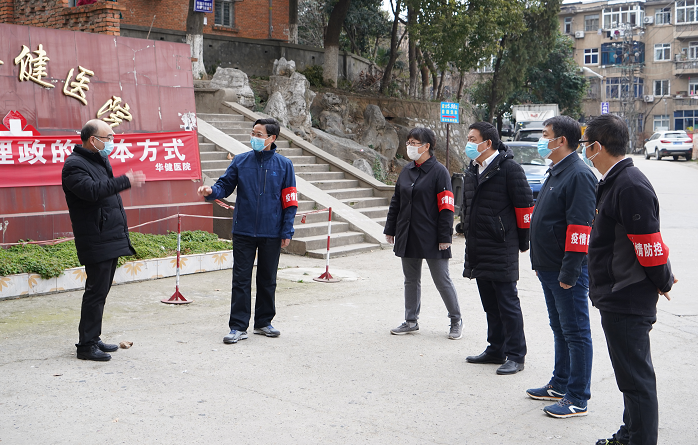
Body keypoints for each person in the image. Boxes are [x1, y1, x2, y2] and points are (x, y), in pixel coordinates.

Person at [582, 114, 676, 445]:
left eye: (585, 145)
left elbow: (649, 244)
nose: (584, 151)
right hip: (616, 294)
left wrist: (663, 279)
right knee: (629, 378)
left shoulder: (629, 185)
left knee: (636, 380)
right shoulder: (615, 182)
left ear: (597, 146)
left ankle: (640, 439)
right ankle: (629, 434)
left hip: (627, 296)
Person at [198, 118, 297, 344]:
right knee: (240, 279)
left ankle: (263, 322)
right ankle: (238, 326)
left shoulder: (284, 165)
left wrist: (286, 231)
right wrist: (211, 191)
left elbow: (290, 201)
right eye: (253, 133)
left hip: (271, 231)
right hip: (244, 230)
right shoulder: (241, 161)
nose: (254, 138)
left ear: (272, 138)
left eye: (259, 135)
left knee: (267, 279)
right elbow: (224, 185)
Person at [527, 115, 597, 418]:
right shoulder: (556, 171)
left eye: (546, 135)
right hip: (548, 266)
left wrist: (570, 271)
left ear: (562, 141)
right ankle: (560, 383)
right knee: (560, 328)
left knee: (576, 331)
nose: (542, 141)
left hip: (565, 269)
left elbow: (580, 228)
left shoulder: (579, 175)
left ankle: (577, 396)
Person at [62, 119, 146, 361]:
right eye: (108, 137)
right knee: (95, 292)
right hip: (95, 237)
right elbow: (92, 191)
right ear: (93, 140)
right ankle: (86, 346)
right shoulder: (74, 165)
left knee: (101, 292)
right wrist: (125, 180)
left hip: (108, 236)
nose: (111, 141)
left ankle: (93, 337)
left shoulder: (98, 160)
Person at [461, 122, 534, 375]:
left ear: (488, 143)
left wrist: (522, 243)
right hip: (479, 246)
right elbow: (467, 207)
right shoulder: (473, 169)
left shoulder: (509, 169)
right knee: (490, 304)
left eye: (473, 139)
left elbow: (525, 209)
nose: (469, 144)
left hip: (502, 246)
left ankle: (516, 355)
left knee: (507, 303)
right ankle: (495, 348)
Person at [384, 127, 462, 340]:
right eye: (408, 142)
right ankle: (411, 320)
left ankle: (456, 320)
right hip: (408, 233)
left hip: (432, 235)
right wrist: (390, 228)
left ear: (427, 146)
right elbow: (396, 201)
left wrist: (445, 236)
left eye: (414, 143)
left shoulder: (439, 172)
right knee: (411, 280)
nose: (410, 146)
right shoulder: (406, 170)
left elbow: (447, 207)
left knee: (442, 279)